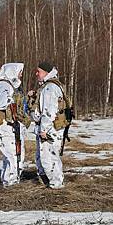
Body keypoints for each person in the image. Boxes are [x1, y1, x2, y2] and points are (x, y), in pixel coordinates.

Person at [28, 61, 71, 189]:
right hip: (51, 128)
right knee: (47, 156)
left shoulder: (49, 88)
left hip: (50, 129)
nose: (36, 74)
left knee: (49, 157)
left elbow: (48, 111)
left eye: (39, 71)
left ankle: (56, 185)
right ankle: (51, 182)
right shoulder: (49, 86)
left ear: (46, 72)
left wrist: (44, 130)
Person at [0, 62, 30, 187]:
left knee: (15, 155)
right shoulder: (3, 85)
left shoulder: (12, 87)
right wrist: (11, 101)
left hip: (12, 127)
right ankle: (11, 184)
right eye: (19, 72)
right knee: (12, 156)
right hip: (5, 127)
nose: (21, 75)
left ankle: (11, 181)